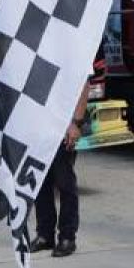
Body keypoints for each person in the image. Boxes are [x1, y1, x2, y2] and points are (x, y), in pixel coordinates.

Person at [30, 81, 90, 257]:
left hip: (64, 127)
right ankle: (45, 235)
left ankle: (67, 237)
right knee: (40, 181)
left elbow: (83, 84)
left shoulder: (75, 52)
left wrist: (76, 123)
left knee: (64, 182)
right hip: (39, 125)